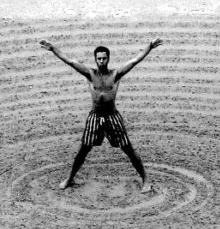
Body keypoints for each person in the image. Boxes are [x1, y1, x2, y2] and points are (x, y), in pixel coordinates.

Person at [39, 38, 163, 191]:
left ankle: (146, 180)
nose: (102, 61)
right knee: (83, 150)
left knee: (128, 149)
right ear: (95, 59)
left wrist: (149, 47)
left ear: (108, 59)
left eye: (104, 58)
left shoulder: (115, 74)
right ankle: (69, 179)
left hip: (112, 117)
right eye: (99, 59)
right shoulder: (90, 74)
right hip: (95, 117)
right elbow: (70, 61)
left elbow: (134, 61)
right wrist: (53, 49)